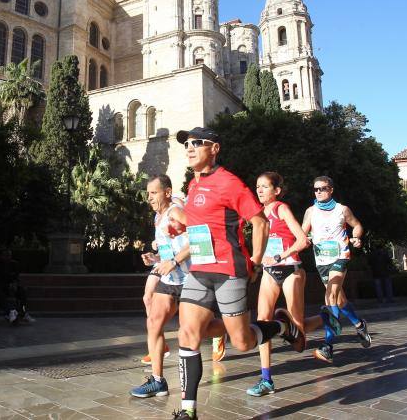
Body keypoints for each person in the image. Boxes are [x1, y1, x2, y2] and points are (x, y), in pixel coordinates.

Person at [173, 127, 303, 420]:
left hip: (230, 270)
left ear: (214, 148)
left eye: (197, 143)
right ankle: (187, 410)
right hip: (199, 270)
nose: (190, 148)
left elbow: (260, 223)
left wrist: (256, 260)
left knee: (242, 343)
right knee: (187, 333)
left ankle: (281, 325)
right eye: (187, 144)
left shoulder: (230, 183)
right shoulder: (193, 185)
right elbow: (201, 223)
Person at [245, 172, 310, 397]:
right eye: (257, 186)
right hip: (269, 273)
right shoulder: (257, 215)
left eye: (265, 186)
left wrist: (280, 257)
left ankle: (326, 319)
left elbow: (303, 240)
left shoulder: (281, 208)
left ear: (277, 191)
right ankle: (266, 379)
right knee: (263, 323)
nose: (260, 190)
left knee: (298, 341)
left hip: (291, 270)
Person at [130, 175, 190, 398]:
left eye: (153, 193)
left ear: (167, 192)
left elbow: (198, 238)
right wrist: (156, 258)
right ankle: (157, 381)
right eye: (148, 194)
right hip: (170, 281)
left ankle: (238, 329)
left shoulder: (175, 212)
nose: (149, 198)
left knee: (191, 332)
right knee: (154, 323)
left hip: (190, 280)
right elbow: (171, 248)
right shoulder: (158, 217)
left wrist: (174, 261)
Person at [302, 176, 371, 363]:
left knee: (330, 296)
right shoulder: (311, 211)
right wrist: (303, 240)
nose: (318, 192)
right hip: (321, 259)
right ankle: (359, 324)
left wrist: (356, 237)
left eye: (322, 189)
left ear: (331, 189)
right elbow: (302, 233)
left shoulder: (342, 209)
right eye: (315, 189)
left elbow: (357, 225)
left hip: (340, 256)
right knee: (339, 300)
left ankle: (328, 346)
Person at [0, 249, 34, 324]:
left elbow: (16, 277)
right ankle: (10, 312)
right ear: (1, 256)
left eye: (10, 255)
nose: (8, 257)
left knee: (22, 291)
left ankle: (23, 312)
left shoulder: (14, 264)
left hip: (9, 286)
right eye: (6, 255)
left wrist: (14, 284)